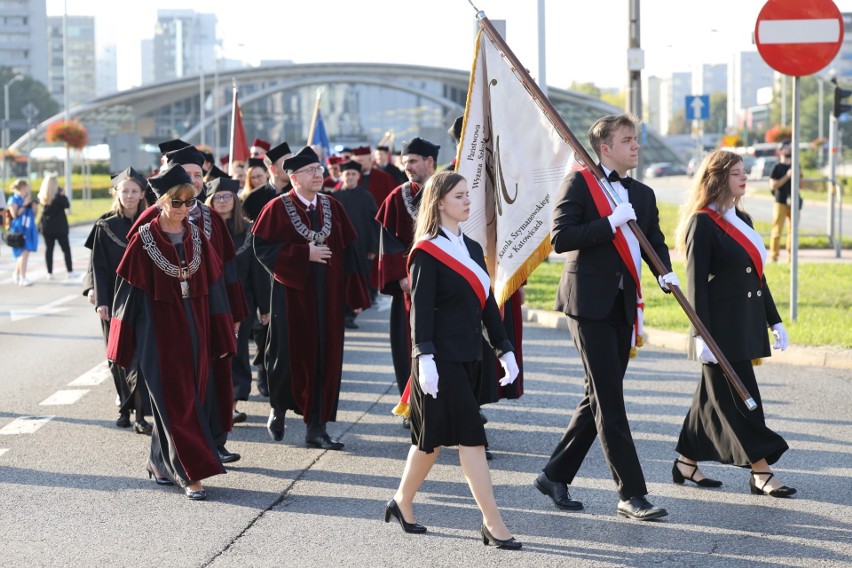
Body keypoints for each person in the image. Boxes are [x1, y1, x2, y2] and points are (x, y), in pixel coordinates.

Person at [535, 113, 678, 521]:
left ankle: (554, 474)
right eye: (627, 140)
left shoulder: (644, 194)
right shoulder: (581, 183)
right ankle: (631, 494)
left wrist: (664, 272)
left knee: (598, 395)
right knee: (610, 401)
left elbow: (654, 241)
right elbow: (561, 238)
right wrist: (608, 224)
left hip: (622, 305)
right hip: (587, 305)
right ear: (605, 147)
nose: (635, 145)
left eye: (636, 139)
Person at [385, 171, 521, 550]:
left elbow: (487, 305)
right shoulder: (425, 251)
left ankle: (402, 502)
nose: (467, 201)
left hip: (468, 356)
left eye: (467, 194)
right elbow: (420, 313)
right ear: (440, 202)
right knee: (471, 437)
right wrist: (423, 356)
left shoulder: (473, 248)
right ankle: (494, 524)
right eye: (459, 195)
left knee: (430, 442)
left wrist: (504, 348)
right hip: (438, 359)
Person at [107, 165, 237, 500]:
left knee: (186, 399)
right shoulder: (143, 239)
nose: (184, 208)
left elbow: (214, 288)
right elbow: (128, 294)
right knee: (172, 401)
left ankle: (158, 462)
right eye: (177, 201)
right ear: (162, 201)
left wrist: (223, 333)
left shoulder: (198, 237)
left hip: (195, 329)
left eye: (190, 201)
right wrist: (123, 344)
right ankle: (189, 473)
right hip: (158, 334)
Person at [673, 149, 794, 498]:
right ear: (717, 178)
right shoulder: (702, 221)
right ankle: (761, 471)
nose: (744, 178)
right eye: (737, 173)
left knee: (710, 399)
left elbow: (758, 278)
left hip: (745, 322)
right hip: (719, 330)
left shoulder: (743, 218)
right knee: (742, 399)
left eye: (744, 172)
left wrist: (774, 320)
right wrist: (701, 337)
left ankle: (686, 461)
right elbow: (695, 284)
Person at [130, 143, 248, 465]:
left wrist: (235, 313)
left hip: (212, 308)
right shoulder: (150, 222)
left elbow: (228, 269)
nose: (196, 181)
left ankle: (214, 442)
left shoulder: (210, 217)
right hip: (170, 314)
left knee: (215, 377)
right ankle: (173, 456)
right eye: (189, 175)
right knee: (177, 390)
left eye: (199, 175)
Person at [252, 146, 370, 449]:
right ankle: (278, 408)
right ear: (293, 177)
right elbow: (262, 250)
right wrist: (304, 253)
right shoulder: (277, 208)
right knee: (286, 357)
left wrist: (355, 292)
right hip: (292, 298)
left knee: (324, 359)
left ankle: (316, 428)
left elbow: (348, 249)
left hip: (328, 299)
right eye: (311, 171)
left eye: (319, 169)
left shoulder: (332, 205)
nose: (318, 175)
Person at [376, 137, 440, 399]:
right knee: (408, 344)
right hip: (409, 287)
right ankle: (411, 402)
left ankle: (457, 403)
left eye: (413, 161)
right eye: (405, 163)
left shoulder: (449, 191)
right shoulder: (396, 197)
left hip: (445, 284)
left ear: (430, 162)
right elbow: (388, 238)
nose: (408, 167)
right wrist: (401, 274)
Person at [90, 167, 150, 432]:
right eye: (124, 190)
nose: (129, 195)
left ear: (142, 193)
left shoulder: (152, 222)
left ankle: (139, 416)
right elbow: (98, 267)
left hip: (145, 299)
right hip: (114, 301)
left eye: (134, 191)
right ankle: (125, 408)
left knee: (140, 356)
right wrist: (100, 300)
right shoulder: (105, 225)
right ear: (117, 192)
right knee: (117, 357)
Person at [206, 177, 271, 424]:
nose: (222, 201)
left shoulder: (248, 231)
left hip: (240, 304)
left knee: (237, 353)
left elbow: (258, 273)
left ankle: (230, 405)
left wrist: (264, 307)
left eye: (227, 197)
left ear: (235, 200)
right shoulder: (201, 230)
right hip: (209, 302)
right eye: (218, 197)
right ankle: (213, 402)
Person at [333, 160, 378, 329]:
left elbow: (375, 224)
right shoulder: (335, 197)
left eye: (353, 174)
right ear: (341, 176)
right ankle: (341, 314)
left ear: (358, 176)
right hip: (341, 249)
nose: (350, 177)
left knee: (359, 282)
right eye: (347, 174)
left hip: (362, 248)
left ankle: (352, 315)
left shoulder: (367, 197)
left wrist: (373, 248)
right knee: (340, 282)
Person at [768, 141, 801, 263]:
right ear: (780, 150)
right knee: (777, 230)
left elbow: (802, 184)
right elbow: (773, 185)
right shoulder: (777, 167)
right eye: (785, 147)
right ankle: (774, 256)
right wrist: (787, 176)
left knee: (793, 231)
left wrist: (797, 174)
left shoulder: (796, 166)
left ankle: (791, 257)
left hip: (794, 202)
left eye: (790, 148)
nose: (788, 150)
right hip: (780, 201)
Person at [37, 175, 75, 280]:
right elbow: (67, 205)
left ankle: (49, 272)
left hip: (47, 227)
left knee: (49, 250)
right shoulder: (58, 196)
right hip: (60, 227)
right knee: (66, 249)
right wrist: (63, 194)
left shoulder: (43, 196)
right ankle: (70, 271)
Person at [7, 178, 38, 286]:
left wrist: (34, 206)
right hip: (18, 230)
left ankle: (16, 273)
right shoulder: (13, 199)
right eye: (28, 187)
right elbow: (15, 214)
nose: (29, 189)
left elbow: (34, 215)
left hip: (28, 229)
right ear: (23, 187)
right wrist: (24, 204)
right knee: (22, 253)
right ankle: (22, 278)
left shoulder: (28, 199)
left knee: (25, 253)